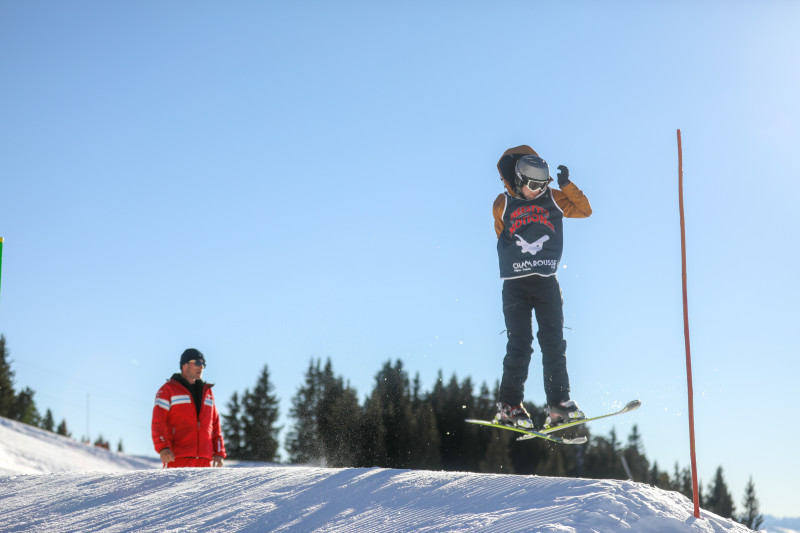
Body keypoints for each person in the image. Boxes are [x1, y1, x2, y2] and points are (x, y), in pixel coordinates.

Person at [493, 145, 593, 429]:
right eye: (533, 185)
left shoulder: (555, 198)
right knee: (520, 345)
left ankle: (558, 405)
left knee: (554, 344)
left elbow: (584, 210)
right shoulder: (502, 204)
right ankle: (509, 405)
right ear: (520, 181)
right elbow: (502, 237)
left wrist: (566, 186)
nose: (538, 191)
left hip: (547, 283)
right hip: (515, 285)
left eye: (543, 184)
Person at [151, 348, 226, 467]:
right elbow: (158, 422)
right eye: (197, 363)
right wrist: (163, 448)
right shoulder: (168, 390)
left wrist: (219, 453)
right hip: (176, 460)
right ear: (184, 365)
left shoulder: (207, 393)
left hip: (204, 462)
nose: (201, 367)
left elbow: (215, 426)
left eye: (203, 364)